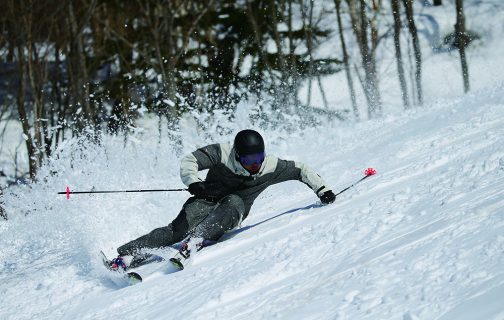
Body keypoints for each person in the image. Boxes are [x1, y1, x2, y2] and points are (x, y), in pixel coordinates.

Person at [110, 129, 336, 269]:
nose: (255, 165)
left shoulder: (270, 166)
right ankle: (126, 256)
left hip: (232, 212)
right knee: (175, 231)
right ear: (238, 154)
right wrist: (194, 182)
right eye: (249, 159)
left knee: (234, 202)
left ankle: (197, 240)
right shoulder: (223, 153)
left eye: (259, 158)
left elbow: (301, 169)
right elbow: (190, 160)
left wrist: (322, 189)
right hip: (204, 199)